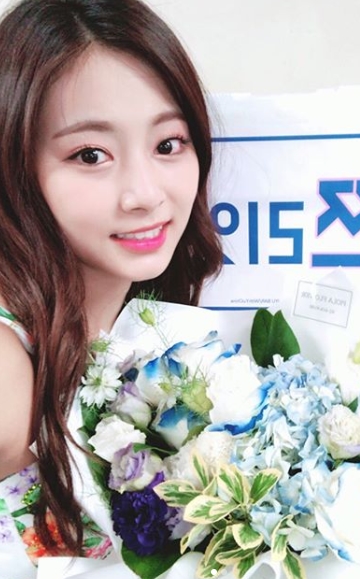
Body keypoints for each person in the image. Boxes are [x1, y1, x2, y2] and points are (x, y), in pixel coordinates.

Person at [0, 0, 223, 576]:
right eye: (91, 154)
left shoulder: (144, 321)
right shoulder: (7, 374)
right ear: (13, 167)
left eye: (168, 144)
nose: (145, 193)